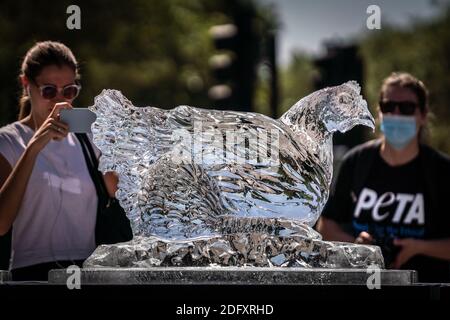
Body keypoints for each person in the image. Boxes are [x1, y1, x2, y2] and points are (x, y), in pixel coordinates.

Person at [0, 41, 119, 281]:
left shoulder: (90, 141)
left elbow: (121, 192)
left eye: (69, 91)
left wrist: (122, 140)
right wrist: (34, 146)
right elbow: (1, 223)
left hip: (87, 272)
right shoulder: (8, 141)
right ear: (26, 85)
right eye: (48, 91)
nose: (59, 101)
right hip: (33, 273)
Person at [317, 72, 450, 283]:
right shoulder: (356, 162)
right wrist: (358, 246)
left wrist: (417, 248)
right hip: (366, 284)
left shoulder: (441, 171)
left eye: (406, 108)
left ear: (423, 115)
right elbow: (326, 228)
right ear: (379, 112)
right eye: (388, 106)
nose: (396, 114)